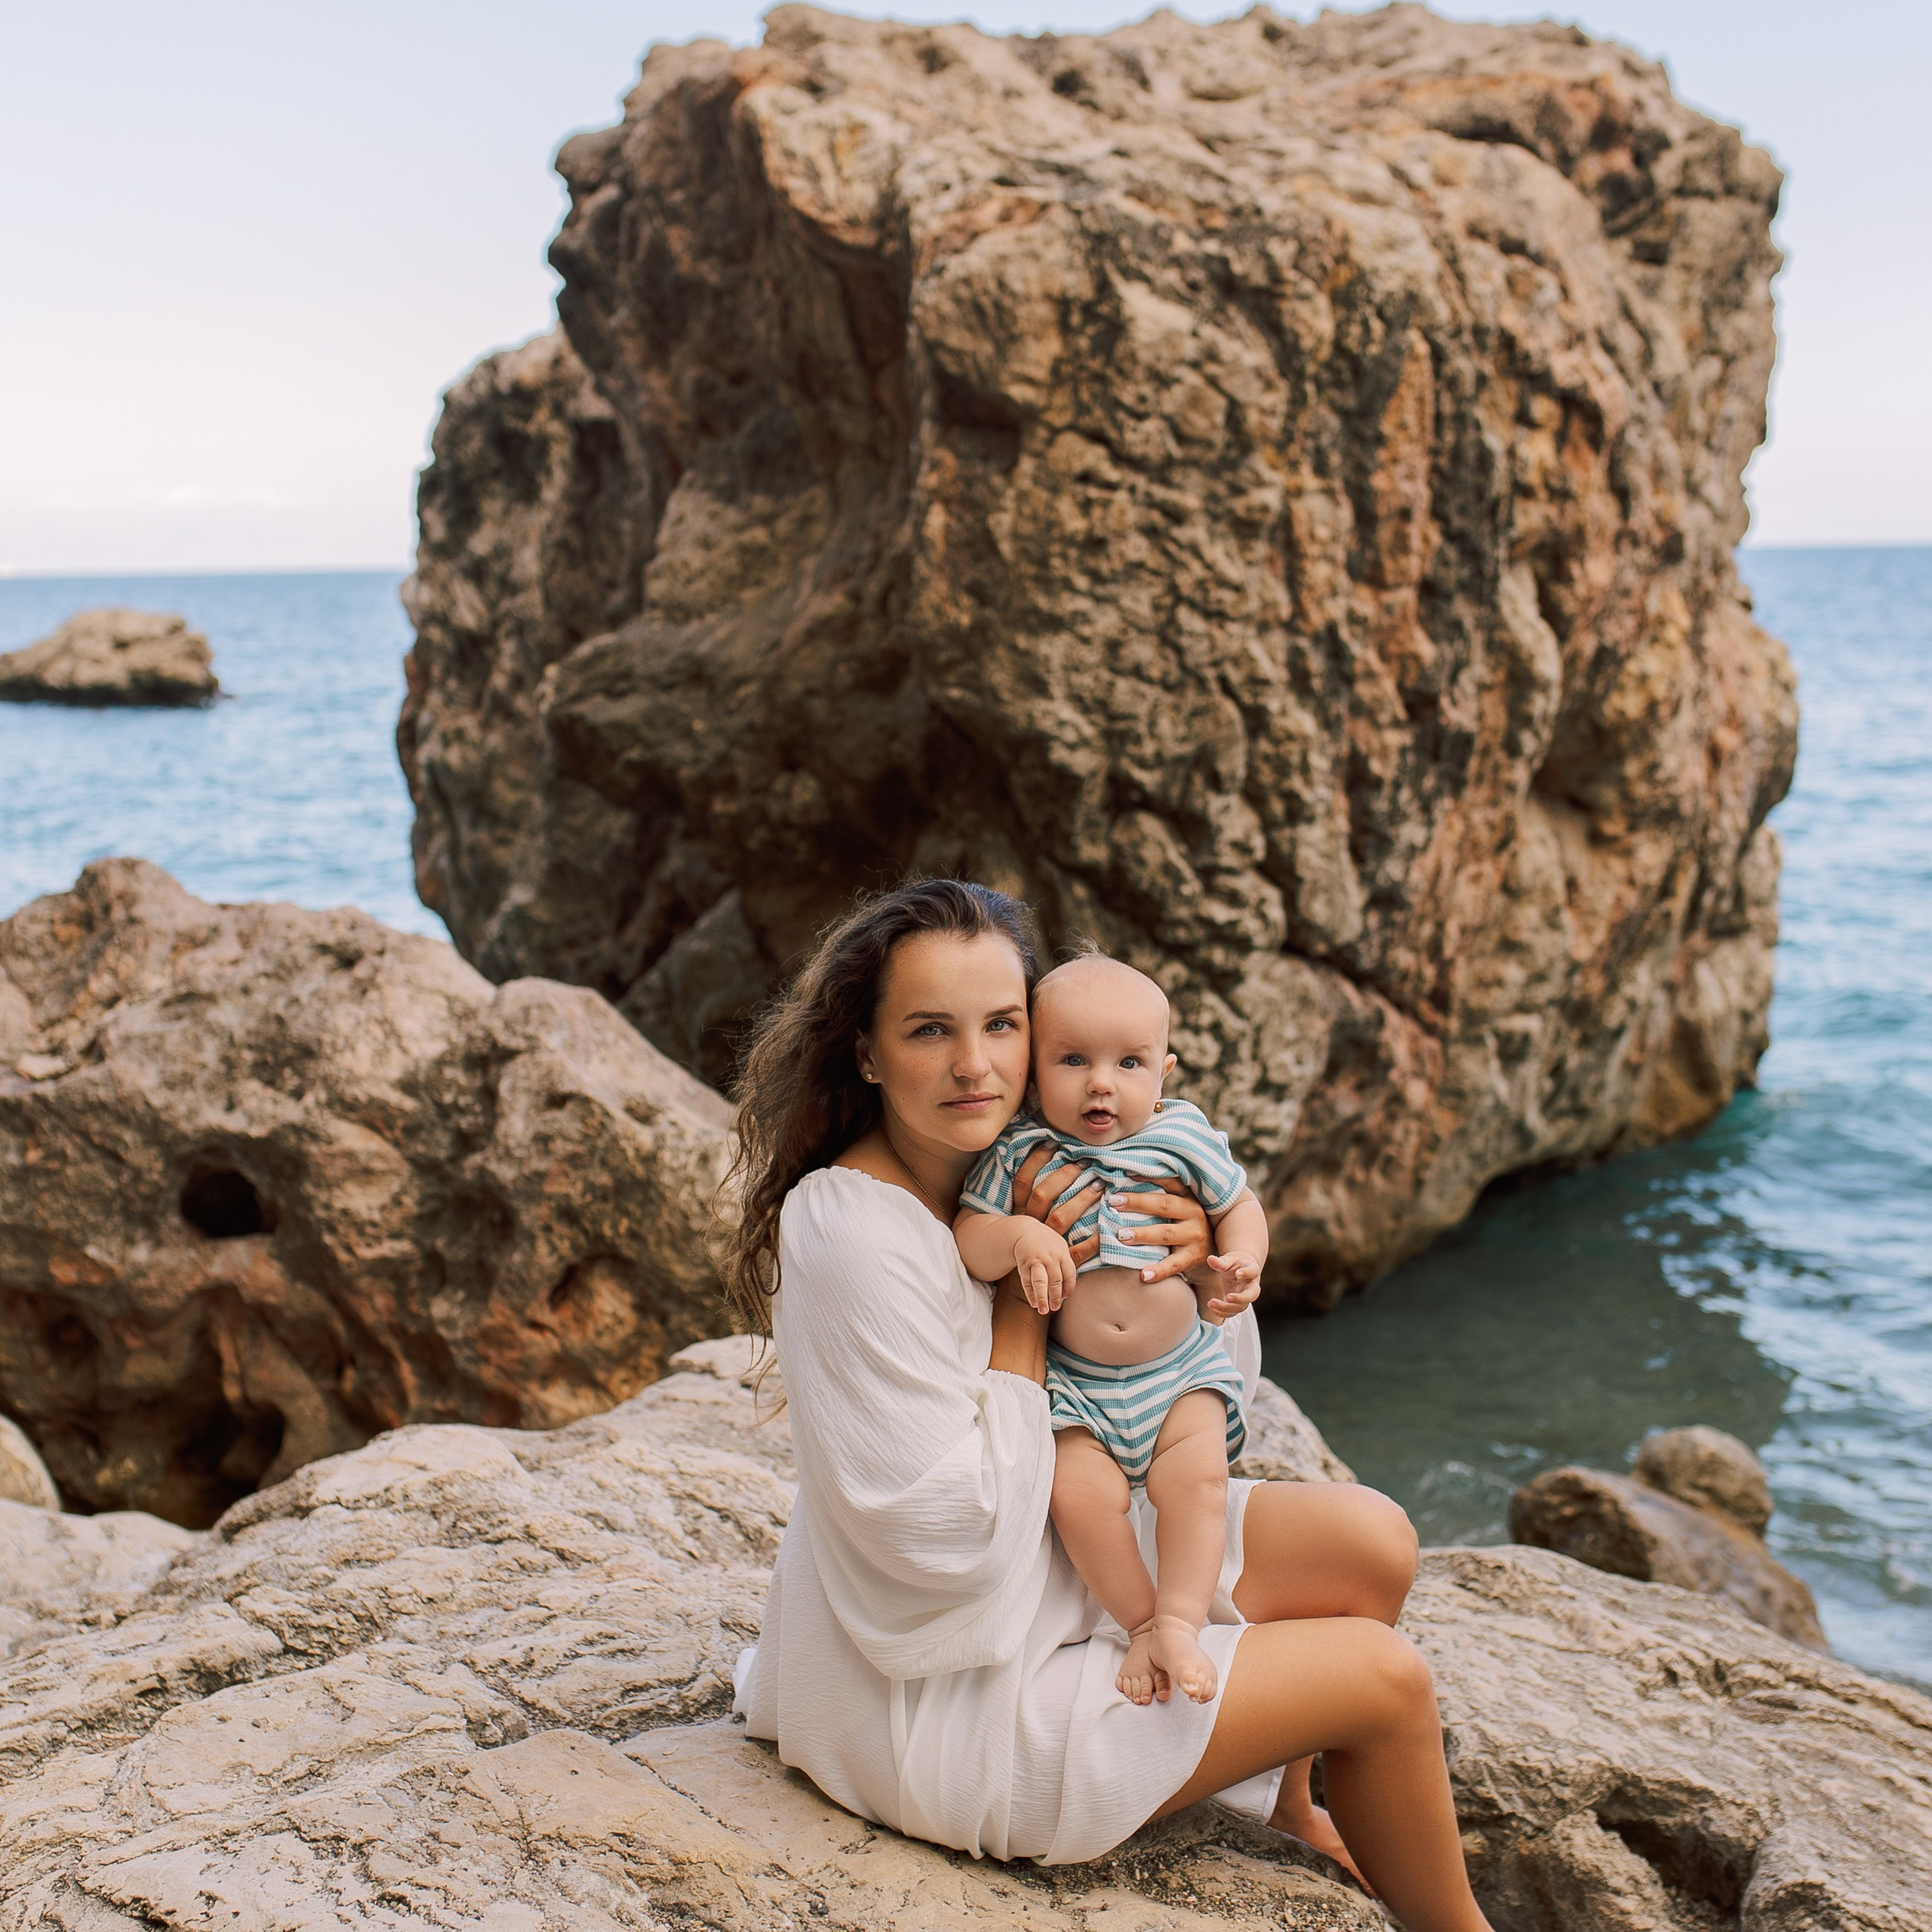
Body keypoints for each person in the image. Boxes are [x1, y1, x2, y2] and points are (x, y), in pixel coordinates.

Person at [724, 879, 1494, 1929]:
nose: (974, 1065)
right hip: (940, 1691)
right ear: (865, 1053)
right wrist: (1027, 1305)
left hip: (1051, 1572)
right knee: (1387, 1679)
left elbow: (1201, 1390)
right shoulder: (852, 1228)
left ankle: (1292, 1801)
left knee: (1375, 1545)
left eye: (1003, 1025)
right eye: (928, 1032)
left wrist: (1188, 1270)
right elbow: (942, 1538)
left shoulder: (1021, 1161)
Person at [955, 952, 1267, 1706]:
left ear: (1163, 1071)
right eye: (1073, 1060)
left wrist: (1244, 1261)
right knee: (1078, 1496)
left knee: (1194, 1479)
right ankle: (1137, 1623)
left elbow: (1239, 1206)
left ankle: (1181, 1620)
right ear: (1033, 1075)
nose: (1102, 1082)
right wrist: (1023, 1240)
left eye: (1128, 1062)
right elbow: (971, 1233)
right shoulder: (1018, 1151)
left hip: (1177, 1372)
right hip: (1080, 1388)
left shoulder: (1182, 1135)